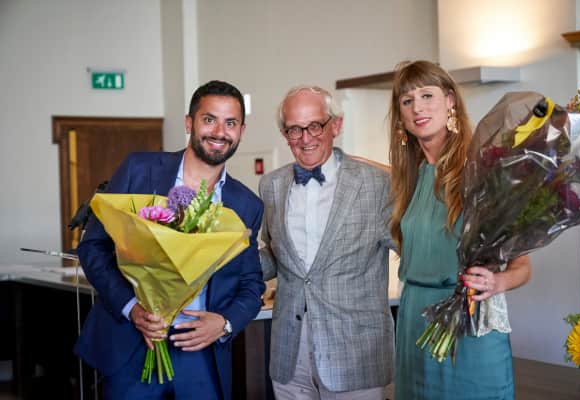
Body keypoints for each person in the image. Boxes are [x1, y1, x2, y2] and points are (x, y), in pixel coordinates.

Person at [75, 80, 265, 399]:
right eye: (209, 119)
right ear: (189, 123)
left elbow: (251, 283)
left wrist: (225, 323)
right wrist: (132, 308)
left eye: (230, 123)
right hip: (132, 343)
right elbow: (93, 247)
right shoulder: (138, 169)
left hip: (201, 352)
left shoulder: (247, 204)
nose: (220, 131)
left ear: (241, 131)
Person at [388, 60, 532, 399]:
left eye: (427, 95)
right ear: (400, 115)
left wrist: (497, 282)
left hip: (468, 320)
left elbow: (523, 266)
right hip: (413, 321)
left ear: (450, 100)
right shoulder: (409, 177)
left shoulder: (482, 168)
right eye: (407, 101)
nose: (417, 108)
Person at [259, 85, 397, 399]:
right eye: (294, 129)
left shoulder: (377, 185)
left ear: (336, 125)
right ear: (285, 134)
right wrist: (222, 259)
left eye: (315, 126)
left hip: (357, 355)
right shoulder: (271, 185)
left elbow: (413, 250)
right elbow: (275, 256)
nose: (305, 138)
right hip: (289, 354)